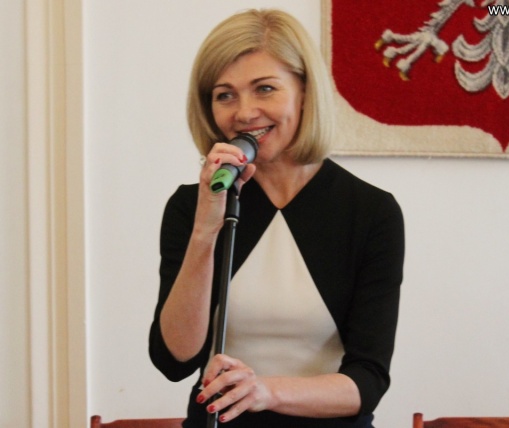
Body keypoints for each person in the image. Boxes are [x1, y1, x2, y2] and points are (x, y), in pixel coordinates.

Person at [149, 8, 405, 428]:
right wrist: (205, 230)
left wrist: (265, 391)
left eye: (265, 89)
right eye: (225, 95)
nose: (244, 112)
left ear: (305, 93)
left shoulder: (370, 211)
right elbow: (174, 360)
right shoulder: (190, 206)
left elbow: (367, 381)